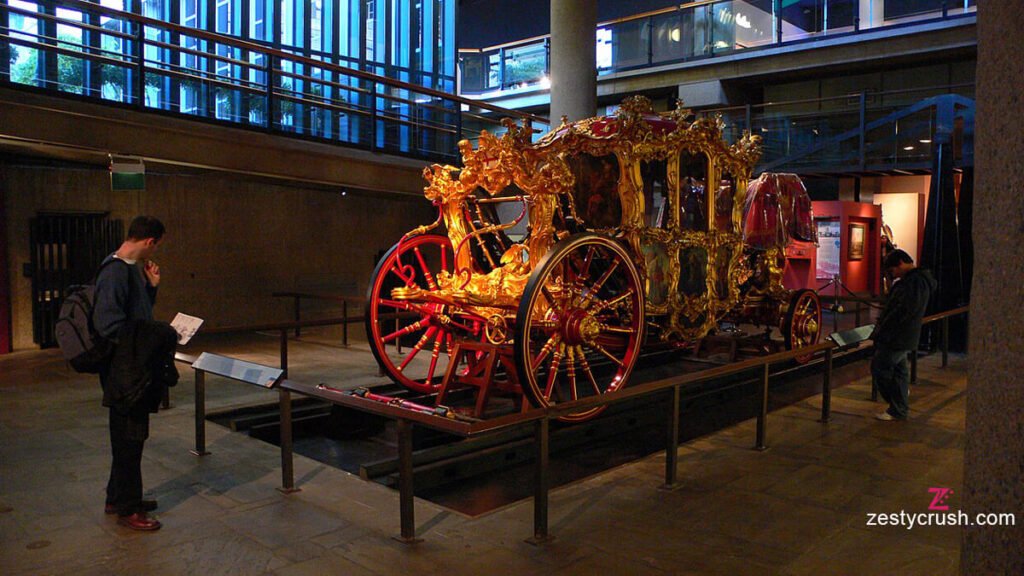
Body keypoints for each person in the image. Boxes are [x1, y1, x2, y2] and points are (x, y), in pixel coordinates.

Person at [94, 216, 178, 531]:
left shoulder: (129, 270)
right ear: (150, 242)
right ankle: (128, 509)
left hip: (132, 365)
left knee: (127, 436)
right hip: (125, 370)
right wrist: (154, 335)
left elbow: (136, 314)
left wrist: (152, 289)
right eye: (156, 246)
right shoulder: (115, 271)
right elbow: (108, 324)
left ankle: (117, 496)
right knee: (130, 438)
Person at [869, 249, 936, 421]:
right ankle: (899, 406)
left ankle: (898, 405)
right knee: (900, 370)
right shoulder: (915, 281)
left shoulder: (915, 283)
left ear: (900, 264)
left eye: (892, 271)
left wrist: (884, 328)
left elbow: (903, 310)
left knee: (880, 367)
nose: (893, 275)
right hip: (903, 336)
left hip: (897, 336)